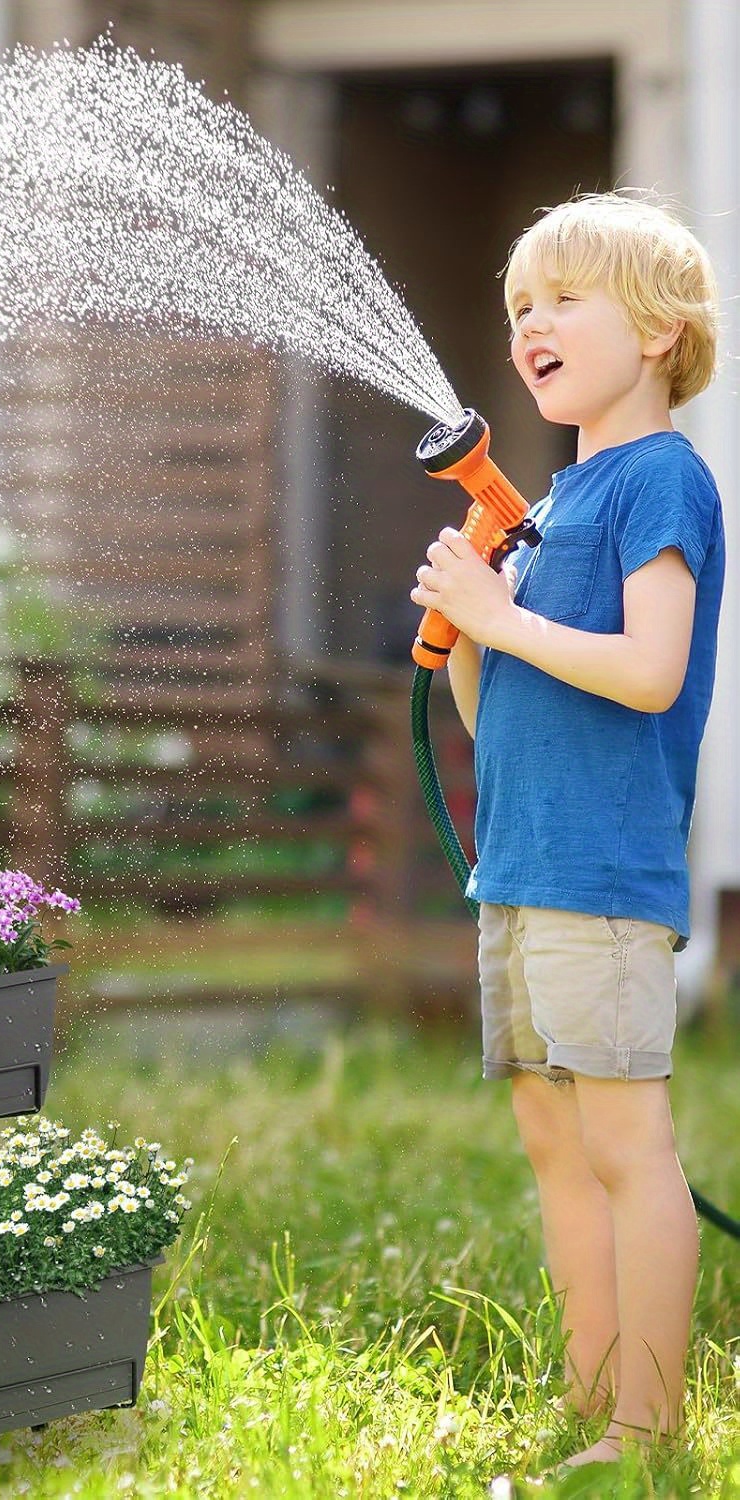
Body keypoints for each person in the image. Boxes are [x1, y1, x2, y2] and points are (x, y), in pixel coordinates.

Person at [409, 191, 723, 1470]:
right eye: (519, 308)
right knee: (554, 1136)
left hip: (600, 868)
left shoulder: (663, 480)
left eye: (563, 299)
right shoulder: (556, 498)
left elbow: (649, 672)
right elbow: (501, 716)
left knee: (624, 1141)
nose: (532, 323)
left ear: (656, 330)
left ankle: (650, 1427)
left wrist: (505, 612)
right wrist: (468, 625)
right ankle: (592, 1398)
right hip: (522, 863)